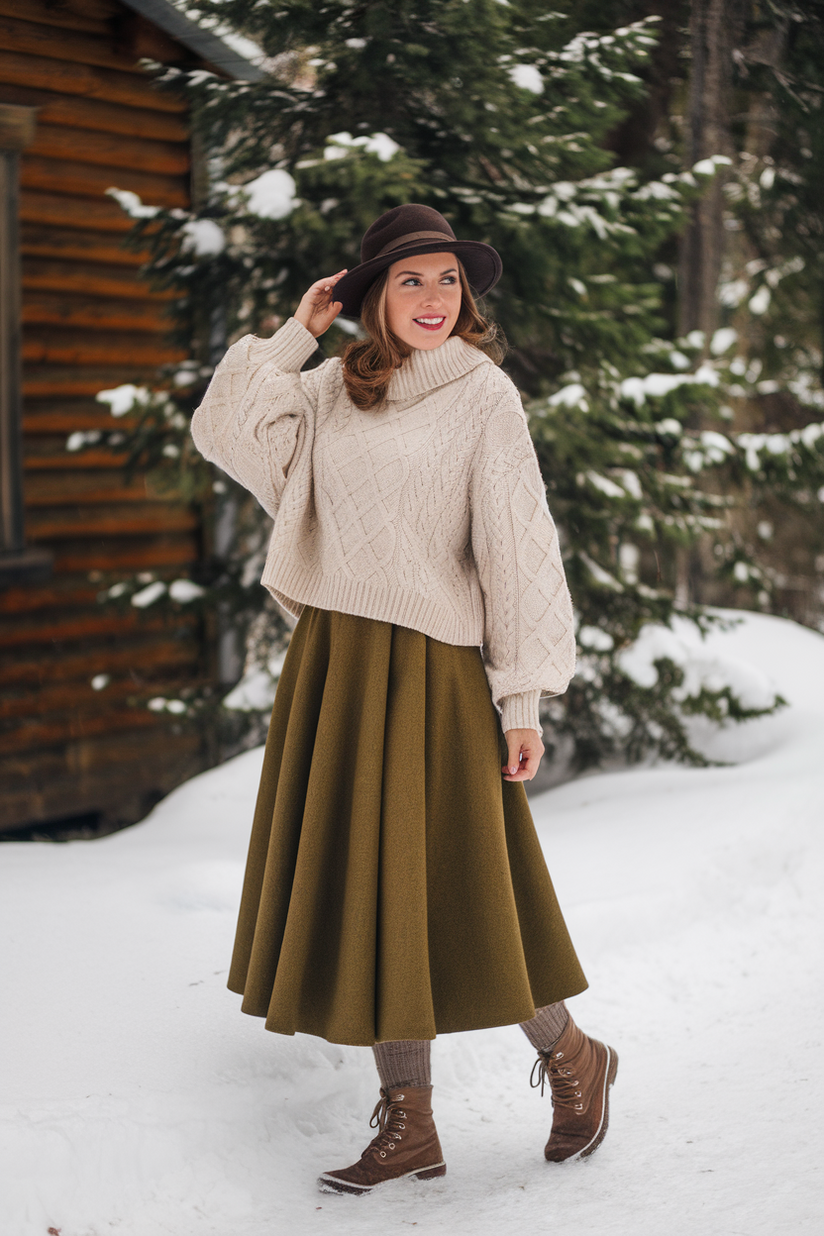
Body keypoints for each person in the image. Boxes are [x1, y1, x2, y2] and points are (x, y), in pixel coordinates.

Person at [191, 203, 617, 1195]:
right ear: (371, 296)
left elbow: (517, 550)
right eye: (410, 280)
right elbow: (222, 430)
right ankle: (408, 1123)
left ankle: (572, 1056)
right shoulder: (335, 388)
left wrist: (520, 701)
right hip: (336, 664)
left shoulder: (482, 398)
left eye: (447, 281)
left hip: (431, 672)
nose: (433, 298)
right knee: (369, 891)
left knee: (465, 887)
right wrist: (298, 330)